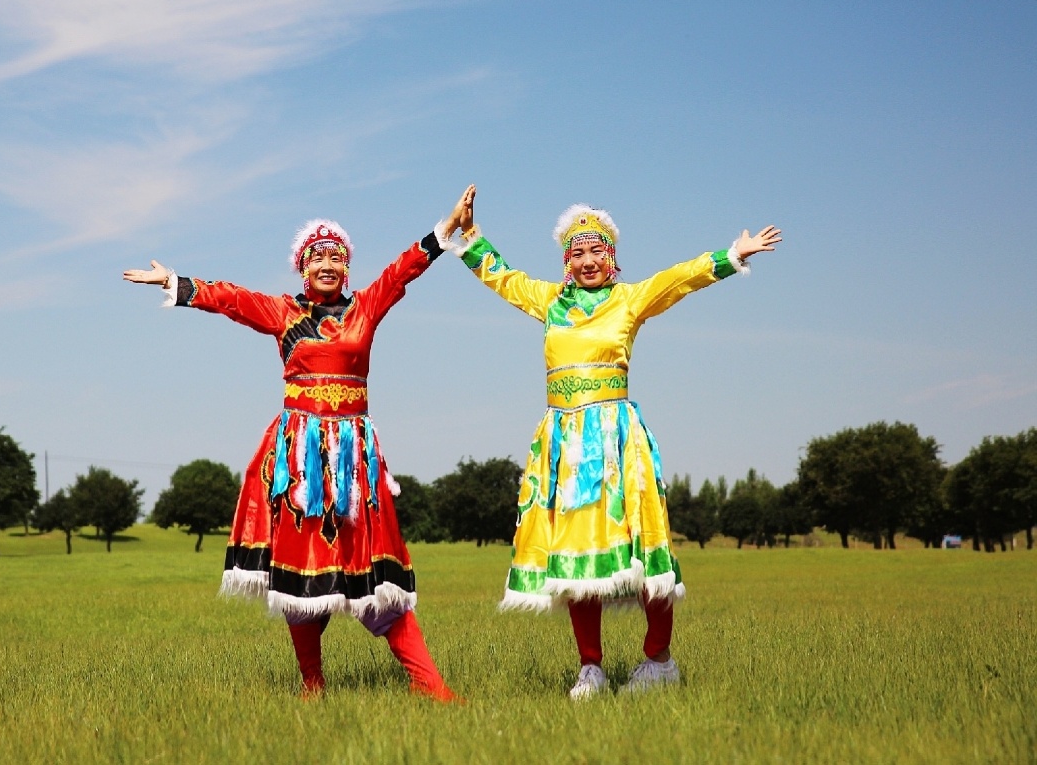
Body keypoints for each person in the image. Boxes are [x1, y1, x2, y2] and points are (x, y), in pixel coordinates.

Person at [123, 191, 474, 701]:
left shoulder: (365, 309)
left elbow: (401, 273)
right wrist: (178, 283)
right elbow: (232, 299)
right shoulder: (284, 313)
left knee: (373, 575)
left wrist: (444, 229)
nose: (328, 264)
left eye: (337, 257)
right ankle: (313, 684)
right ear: (302, 268)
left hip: (353, 460)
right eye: (318, 257)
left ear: (347, 268)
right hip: (299, 461)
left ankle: (433, 688)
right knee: (303, 572)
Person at [448, 186, 780, 699]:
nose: (587, 261)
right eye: (577, 253)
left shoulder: (628, 301)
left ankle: (658, 660)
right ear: (566, 262)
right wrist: (470, 234)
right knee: (580, 558)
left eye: (596, 251)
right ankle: (591, 669)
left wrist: (731, 255)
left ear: (613, 259)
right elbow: (505, 279)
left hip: (617, 441)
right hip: (566, 443)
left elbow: (677, 280)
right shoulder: (551, 302)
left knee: (643, 553)